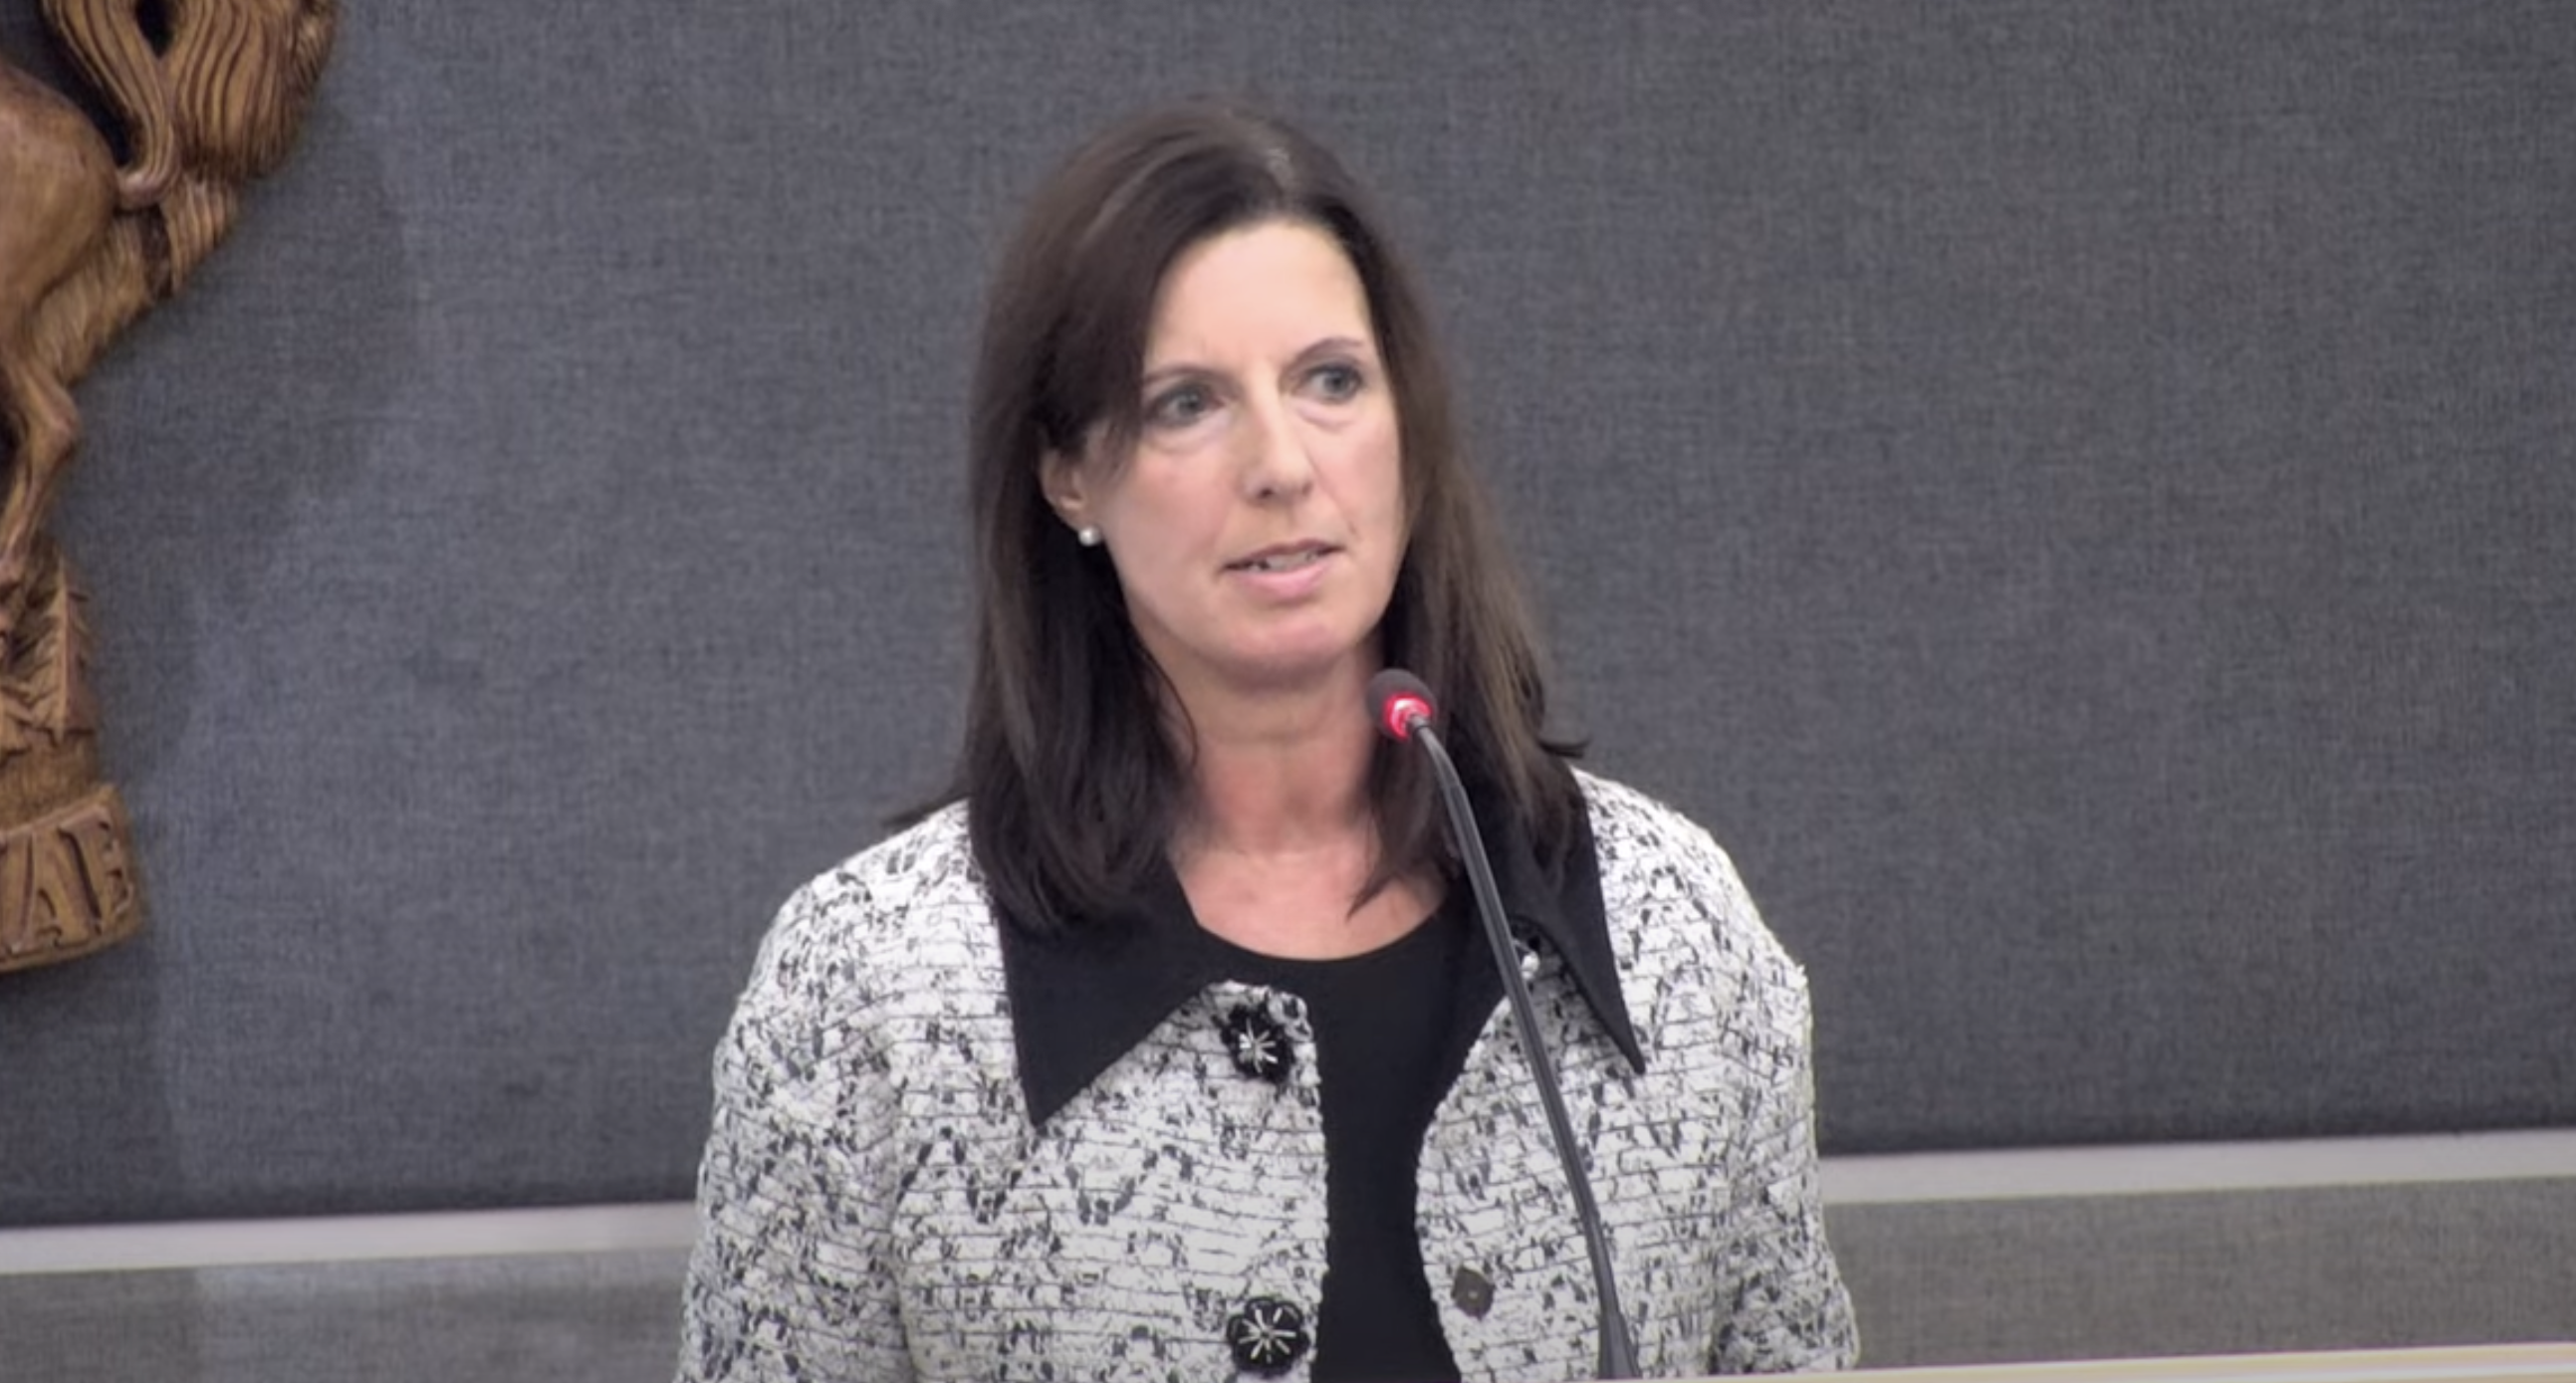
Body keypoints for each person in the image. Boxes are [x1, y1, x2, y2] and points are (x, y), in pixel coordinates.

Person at [678, 101, 1857, 1382]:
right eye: (1186, 403)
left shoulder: (1675, 928)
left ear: (1407, 427)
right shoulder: (867, 991)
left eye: (1331, 381)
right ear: (1069, 475)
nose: (1282, 463)